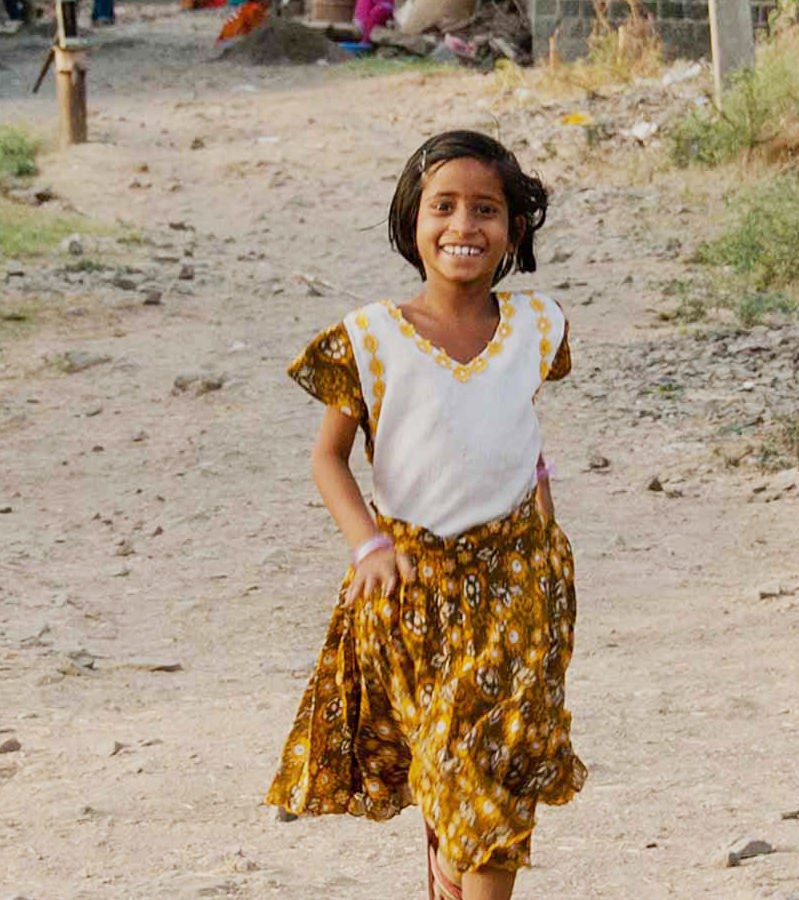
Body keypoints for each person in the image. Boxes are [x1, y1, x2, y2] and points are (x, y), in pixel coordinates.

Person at [267, 130, 586, 900]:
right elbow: (328, 459)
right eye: (443, 207)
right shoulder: (372, 338)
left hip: (519, 587)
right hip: (413, 589)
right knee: (448, 761)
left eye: (486, 209)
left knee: (494, 767)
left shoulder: (537, 329)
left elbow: (511, 431)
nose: (464, 227)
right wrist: (367, 544)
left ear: (514, 229)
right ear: (412, 221)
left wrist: (542, 516)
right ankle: (449, 871)